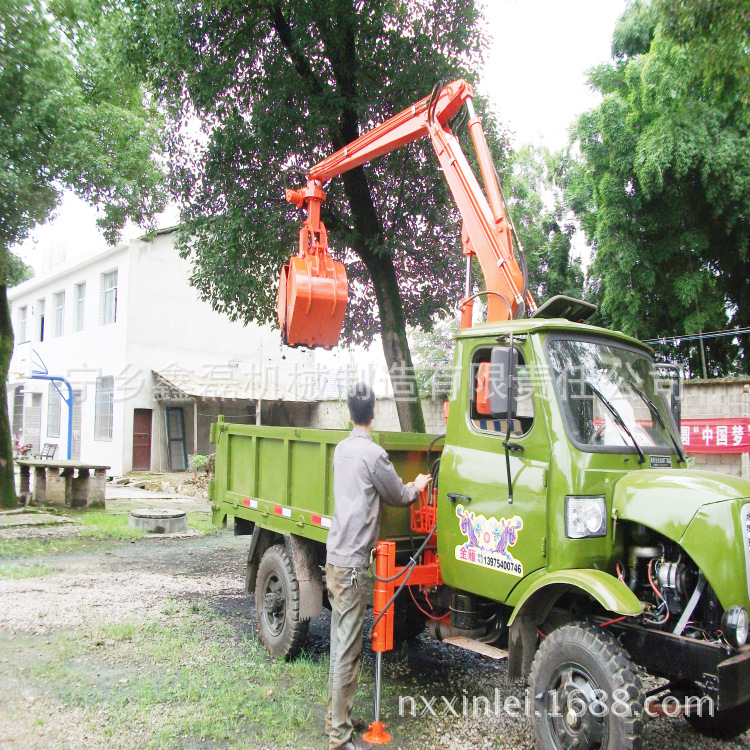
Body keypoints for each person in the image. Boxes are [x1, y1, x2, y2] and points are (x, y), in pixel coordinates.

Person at [325, 382, 431, 750]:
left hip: (335, 557)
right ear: (373, 413)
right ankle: (339, 736)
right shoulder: (374, 456)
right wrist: (417, 484)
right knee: (347, 649)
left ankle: (339, 717)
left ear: (351, 413)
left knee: (342, 641)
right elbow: (398, 496)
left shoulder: (341, 450)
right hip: (354, 565)